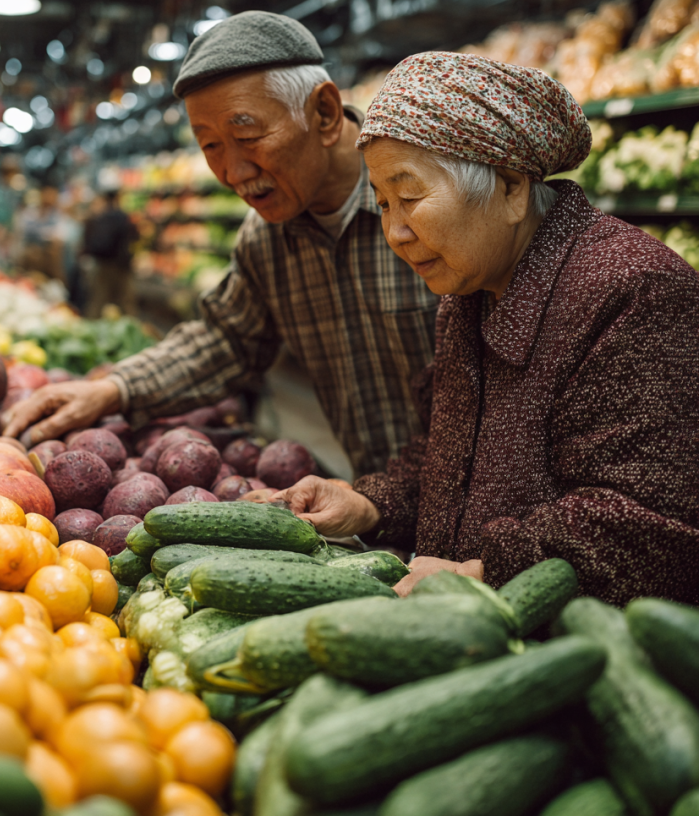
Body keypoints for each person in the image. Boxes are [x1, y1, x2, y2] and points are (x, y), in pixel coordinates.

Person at [274, 52, 699, 607]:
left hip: (579, 658)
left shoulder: (633, 288)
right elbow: (448, 456)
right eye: (381, 202)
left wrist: (482, 573)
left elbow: (648, 520)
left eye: (410, 196)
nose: (395, 231)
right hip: (474, 633)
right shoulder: (470, 292)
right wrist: (368, 503)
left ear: (511, 188)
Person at [4, 12, 438, 477]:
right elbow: (227, 339)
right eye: (210, 146)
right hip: (381, 502)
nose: (232, 172)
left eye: (248, 136)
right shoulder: (267, 236)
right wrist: (112, 389)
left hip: (491, 514)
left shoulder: (436, 200)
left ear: (325, 114)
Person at [81, 190, 137, 318]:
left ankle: (91, 329)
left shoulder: (101, 217)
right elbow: (133, 239)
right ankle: (128, 330)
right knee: (125, 302)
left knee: (98, 300)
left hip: (102, 264)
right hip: (121, 266)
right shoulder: (123, 217)